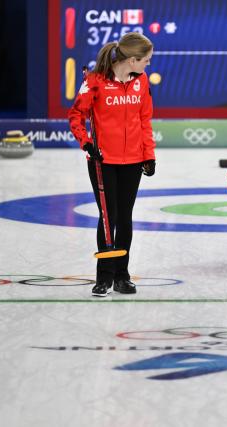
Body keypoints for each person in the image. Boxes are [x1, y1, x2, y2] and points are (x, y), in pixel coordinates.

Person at [68, 32, 156, 297]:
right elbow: (76, 115)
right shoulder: (94, 81)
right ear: (131, 60)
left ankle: (122, 276)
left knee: (125, 217)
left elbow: (145, 120)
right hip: (102, 161)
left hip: (133, 160)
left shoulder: (141, 83)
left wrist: (149, 155)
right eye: (146, 60)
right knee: (109, 217)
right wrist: (86, 143)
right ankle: (103, 277)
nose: (148, 65)